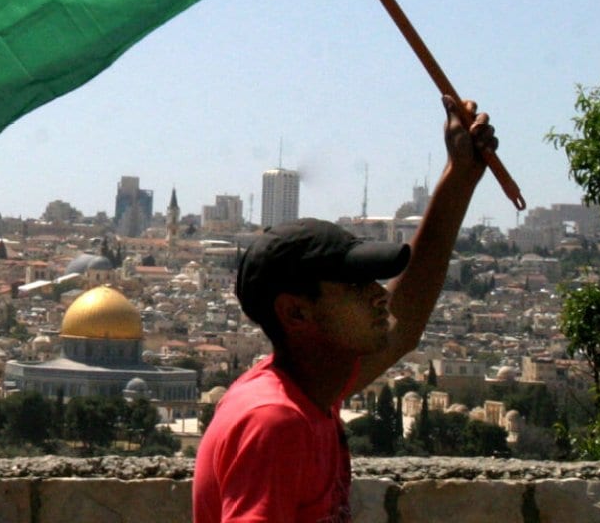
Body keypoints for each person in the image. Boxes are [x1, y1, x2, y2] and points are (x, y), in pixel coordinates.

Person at [193, 96, 497, 523]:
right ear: (296, 313)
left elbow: (403, 322)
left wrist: (460, 176)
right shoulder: (274, 423)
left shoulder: (313, 391)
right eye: (356, 286)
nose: (377, 295)